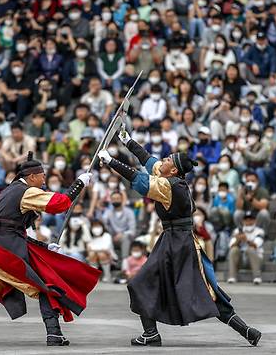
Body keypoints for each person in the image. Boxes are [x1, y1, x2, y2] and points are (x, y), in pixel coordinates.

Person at [99, 127, 261, 347]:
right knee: (205, 290)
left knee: (145, 284)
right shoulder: (171, 178)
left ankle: (151, 334)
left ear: (173, 169)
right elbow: (148, 160)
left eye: (167, 159)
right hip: (175, 240)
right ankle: (246, 331)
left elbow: (139, 179)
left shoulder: (168, 185)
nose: (162, 160)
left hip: (178, 243)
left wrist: (111, 162)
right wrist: (128, 141)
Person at [0, 153, 99, 346]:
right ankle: (54, 334)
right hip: (0, 249)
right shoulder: (26, 191)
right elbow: (59, 204)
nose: (43, 181)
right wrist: (79, 184)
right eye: (42, 176)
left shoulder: (9, 190)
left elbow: (11, 229)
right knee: (44, 285)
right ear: (32, 176)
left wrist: (44, 246)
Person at [227, 211, 265, 285]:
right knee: (234, 250)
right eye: (246, 219)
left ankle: (257, 277)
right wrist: (238, 240)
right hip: (241, 260)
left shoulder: (260, 231)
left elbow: (256, 245)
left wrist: (246, 240)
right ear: (243, 221)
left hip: (256, 260)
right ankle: (232, 276)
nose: (248, 221)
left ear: (255, 220)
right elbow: (231, 246)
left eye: (251, 219)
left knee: (250, 249)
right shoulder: (237, 231)